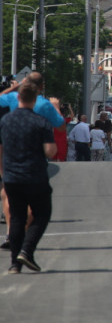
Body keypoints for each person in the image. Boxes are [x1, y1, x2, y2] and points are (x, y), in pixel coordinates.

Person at [0, 72, 64, 250]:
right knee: (35, 206)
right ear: (41, 87)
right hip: (33, 157)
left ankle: (11, 234)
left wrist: (15, 86)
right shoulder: (44, 105)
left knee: (8, 194)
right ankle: (24, 242)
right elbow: (60, 125)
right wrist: (56, 106)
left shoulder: (12, 102)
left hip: (11, 151)